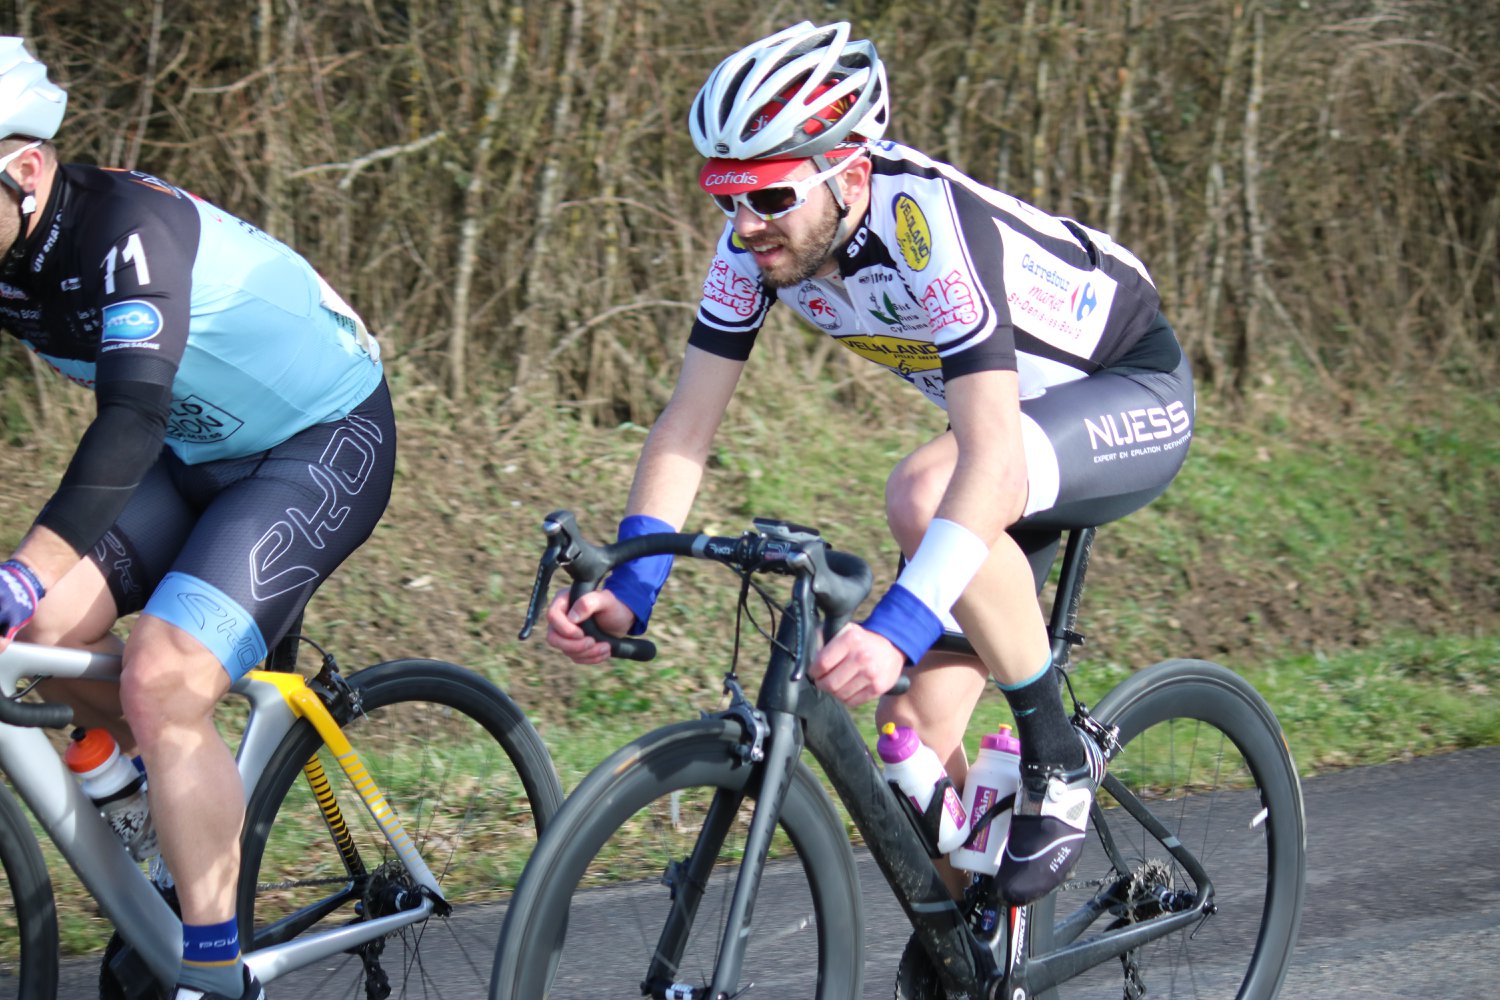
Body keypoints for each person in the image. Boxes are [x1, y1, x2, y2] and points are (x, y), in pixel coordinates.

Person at [547, 20, 1196, 909]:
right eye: (725, 196)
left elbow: (991, 456)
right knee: (912, 736)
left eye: (770, 195)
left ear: (849, 173)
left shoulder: (924, 223)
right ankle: (977, 951)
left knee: (924, 490)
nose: (744, 226)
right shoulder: (757, 250)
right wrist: (636, 579)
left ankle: (1058, 754)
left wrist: (894, 627)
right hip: (1008, 453)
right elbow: (685, 425)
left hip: (1125, 393)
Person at [0, 38, 396, 1000]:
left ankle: (210, 978)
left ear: (24, 170)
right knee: (42, 635)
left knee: (165, 680)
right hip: (193, 450)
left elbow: (130, 418)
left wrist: (19, 567)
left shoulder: (124, 229)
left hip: (316, 440)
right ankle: (139, 806)